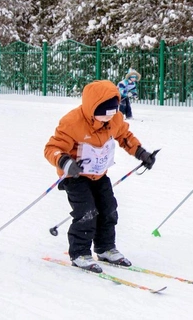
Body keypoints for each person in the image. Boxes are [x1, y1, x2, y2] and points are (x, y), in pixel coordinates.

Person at [44, 79, 157, 273]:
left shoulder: (114, 118)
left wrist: (141, 153)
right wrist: (65, 162)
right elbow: (52, 148)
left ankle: (105, 248)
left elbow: (125, 136)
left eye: (112, 114)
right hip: (75, 177)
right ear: (92, 108)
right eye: (104, 114)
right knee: (87, 212)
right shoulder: (72, 122)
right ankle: (80, 253)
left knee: (108, 208)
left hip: (99, 173)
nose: (109, 119)